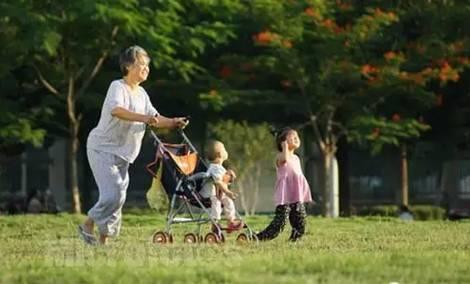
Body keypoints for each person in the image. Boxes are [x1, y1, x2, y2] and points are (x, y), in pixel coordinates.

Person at [78, 45, 188, 245]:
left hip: (124, 154)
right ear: (128, 66)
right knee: (113, 195)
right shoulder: (117, 87)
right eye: (142, 64)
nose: (146, 68)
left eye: (148, 65)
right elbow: (117, 111)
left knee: (118, 198)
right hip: (102, 148)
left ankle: (103, 241)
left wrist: (173, 121)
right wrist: (145, 118)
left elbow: (155, 117)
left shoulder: (142, 93)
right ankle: (88, 224)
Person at [256, 127, 312, 242]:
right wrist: (285, 147)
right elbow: (285, 158)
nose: (297, 138)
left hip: (296, 197)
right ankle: (260, 237)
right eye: (293, 136)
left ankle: (295, 239)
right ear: (284, 141)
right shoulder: (280, 156)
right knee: (280, 222)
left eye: (297, 137)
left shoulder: (296, 158)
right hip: (285, 197)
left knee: (300, 219)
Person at [200, 140, 243, 233]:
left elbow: (224, 181)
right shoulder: (214, 168)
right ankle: (214, 223)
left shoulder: (220, 168)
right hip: (210, 194)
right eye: (224, 149)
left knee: (228, 201)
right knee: (217, 203)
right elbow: (219, 182)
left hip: (219, 194)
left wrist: (229, 177)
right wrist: (228, 192)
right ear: (220, 154)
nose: (226, 151)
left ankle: (231, 221)